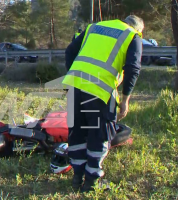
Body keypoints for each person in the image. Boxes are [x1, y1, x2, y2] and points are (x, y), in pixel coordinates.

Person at [62, 15, 144, 192]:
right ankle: (92, 182)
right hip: (100, 89)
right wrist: (125, 100)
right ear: (138, 29)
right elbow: (133, 68)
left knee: (78, 131)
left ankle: (77, 177)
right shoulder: (132, 35)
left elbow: (69, 52)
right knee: (99, 134)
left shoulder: (94, 27)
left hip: (74, 84)